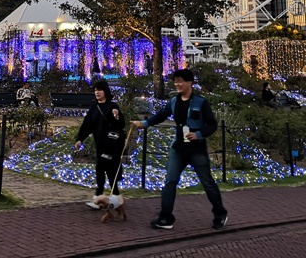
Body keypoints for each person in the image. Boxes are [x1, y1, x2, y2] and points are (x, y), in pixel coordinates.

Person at [131, 68, 228, 230]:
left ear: (190, 83)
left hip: (196, 149)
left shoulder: (201, 102)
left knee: (207, 183)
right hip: (179, 148)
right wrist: (144, 124)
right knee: (170, 181)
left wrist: (199, 134)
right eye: (175, 81)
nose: (177, 84)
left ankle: (220, 214)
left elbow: (212, 124)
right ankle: (166, 217)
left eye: (181, 81)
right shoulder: (174, 101)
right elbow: (161, 115)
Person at [74, 79, 126, 209]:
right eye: (95, 90)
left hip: (112, 144)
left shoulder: (113, 106)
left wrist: (117, 116)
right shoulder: (94, 108)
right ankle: (116, 197)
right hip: (100, 144)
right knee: (108, 171)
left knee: (101, 168)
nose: (97, 92)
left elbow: (121, 125)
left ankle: (99, 198)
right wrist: (80, 138)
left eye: (99, 90)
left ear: (105, 91)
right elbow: (87, 125)